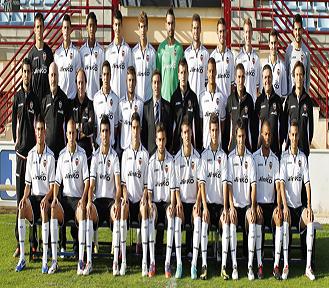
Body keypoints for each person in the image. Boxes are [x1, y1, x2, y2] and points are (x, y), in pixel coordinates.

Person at [49, 119, 89, 274]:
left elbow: (87, 182)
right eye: (69, 133)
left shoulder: (83, 154)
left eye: (74, 133)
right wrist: (54, 199)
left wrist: (83, 199)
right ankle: (54, 260)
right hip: (65, 200)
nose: (72, 136)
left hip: (78, 200)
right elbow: (57, 182)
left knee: (82, 211)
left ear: (77, 134)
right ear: (66, 135)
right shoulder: (61, 155)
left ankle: (81, 261)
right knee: (52, 211)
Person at [15, 116, 55, 273]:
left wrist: (47, 197)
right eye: (37, 130)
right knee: (21, 208)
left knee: (44, 209)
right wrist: (24, 198)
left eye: (42, 130)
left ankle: (45, 259)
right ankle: (23, 258)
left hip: (46, 198)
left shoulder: (50, 156)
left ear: (45, 132)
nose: (39, 133)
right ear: (35, 131)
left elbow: (53, 186)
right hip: (34, 197)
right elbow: (27, 185)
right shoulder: (30, 155)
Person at [84, 115, 121, 275]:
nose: (104, 134)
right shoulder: (95, 157)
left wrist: (118, 201)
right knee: (88, 212)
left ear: (110, 133)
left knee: (118, 214)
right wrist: (89, 201)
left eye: (107, 131)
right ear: (99, 133)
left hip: (111, 202)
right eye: (102, 131)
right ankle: (89, 261)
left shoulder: (115, 157)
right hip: (98, 202)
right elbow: (91, 184)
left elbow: (119, 185)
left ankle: (115, 263)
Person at [12, 58, 40, 257]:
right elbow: (14, 122)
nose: (27, 74)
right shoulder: (16, 97)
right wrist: (17, 142)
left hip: (32, 158)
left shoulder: (35, 99)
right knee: (19, 201)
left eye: (29, 71)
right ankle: (18, 242)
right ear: (21, 73)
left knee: (32, 200)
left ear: (32, 74)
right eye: (24, 71)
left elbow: (38, 124)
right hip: (21, 156)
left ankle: (33, 241)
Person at [280, 120, 315, 281]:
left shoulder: (303, 157)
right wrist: (285, 207)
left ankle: (308, 267)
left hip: (300, 208)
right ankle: (286, 265)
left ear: (299, 136)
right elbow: (281, 185)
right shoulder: (283, 157)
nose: (293, 138)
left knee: (311, 222)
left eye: (296, 135)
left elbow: (307, 184)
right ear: (288, 136)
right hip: (288, 208)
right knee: (285, 224)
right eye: (291, 135)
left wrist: (309, 206)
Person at [198, 113, 229, 280]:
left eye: (216, 130)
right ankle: (204, 265)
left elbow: (225, 184)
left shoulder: (224, 156)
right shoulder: (204, 156)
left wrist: (225, 207)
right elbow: (201, 183)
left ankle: (224, 266)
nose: (214, 133)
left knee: (225, 222)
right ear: (208, 132)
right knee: (203, 223)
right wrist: (204, 207)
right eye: (212, 130)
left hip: (220, 204)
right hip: (208, 204)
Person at [227, 118, 257, 281]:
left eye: (243, 136)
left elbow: (253, 187)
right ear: (235, 136)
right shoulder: (230, 158)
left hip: (246, 206)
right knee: (231, 223)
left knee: (252, 222)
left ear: (246, 137)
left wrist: (252, 207)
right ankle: (234, 266)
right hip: (234, 205)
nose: (240, 139)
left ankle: (250, 267)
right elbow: (229, 186)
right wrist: (231, 207)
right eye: (238, 136)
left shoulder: (251, 159)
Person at [120, 112, 149, 276]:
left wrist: (144, 197)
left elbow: (146, 185)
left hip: (140, 201)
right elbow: (123, 183)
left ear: (140, 129)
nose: (135, 131)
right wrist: (124, 197)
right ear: (130, 129)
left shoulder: (145, 155)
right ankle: (123, 260)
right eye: (133, 127)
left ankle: (144, 260)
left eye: (138, 128)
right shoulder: (125, 154)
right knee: (123, 209)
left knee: (145, 210)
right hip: (128, 200)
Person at [253, 120, 282, 280]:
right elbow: (253, 185)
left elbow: (278, 187)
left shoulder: (275, 159)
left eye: (269, 134)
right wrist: (255, 204)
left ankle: (276, 266)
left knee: (279, 218)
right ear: (260, 135)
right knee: (257, 218)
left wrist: (278, 206)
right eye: (265, 133)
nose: (267, 137)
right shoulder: (254, 158)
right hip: (259, 205)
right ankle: (260, 266)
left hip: (271, 204)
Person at [173, 116, 201, 279]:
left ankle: (194, 265)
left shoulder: (197, 158)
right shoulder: (176, 159)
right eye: (183, 132)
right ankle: (179, 264)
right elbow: (176, 185)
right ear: (181, 135)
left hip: (194, 202)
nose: (186, 135)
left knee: (197, 220)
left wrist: (198, 203)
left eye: (188, 132)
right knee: (176, 220)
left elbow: (200, 185)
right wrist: (178, 203)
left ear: (191, 134)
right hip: (182, 202)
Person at [147, 123, 176, 278]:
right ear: (156, 140)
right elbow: (150, 191)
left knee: (171, 218)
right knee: (150, 216)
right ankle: (152, 261)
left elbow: (172, 190)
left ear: (166, 140)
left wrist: (171, 205)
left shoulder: (171, 162)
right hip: (156, 203)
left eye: (163, 139)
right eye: (159, 139)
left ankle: (166, 262)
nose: (161, 142)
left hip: (166, 203)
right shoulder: (151, 163)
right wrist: (151, 204)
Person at [171, 58, 202, 155]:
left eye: (185, 72)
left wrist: (199, 146)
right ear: (178, 75)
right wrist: (171, 146)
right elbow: (172, 125)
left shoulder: (193, 97)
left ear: (188, 74)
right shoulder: (174, 97)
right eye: (181, 72)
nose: (183, 75)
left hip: (191, 148)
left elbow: (197, 124)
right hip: (177, 148)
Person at [41, 62, 72, 160]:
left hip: (61, 153)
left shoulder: (64, 99)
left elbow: (68, 125)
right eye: (51, 75)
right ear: (48, 77)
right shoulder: (44, 100)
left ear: (58, 77)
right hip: (47, 152)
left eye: (55, 75)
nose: (53, 79)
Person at [224, 63, 257, 153]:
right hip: (232, 149)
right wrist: (225, 148)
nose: (240, 80)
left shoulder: (249, 100)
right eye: (238, 77)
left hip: (247, 149)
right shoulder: (230, 99)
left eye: (242, 77)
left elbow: (253, 128)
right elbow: (227, 128)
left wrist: (253, 149)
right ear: (235, 78)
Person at [283, 61, 313, 158]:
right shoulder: (289, 99)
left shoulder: (308, 100)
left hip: (303, 148)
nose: (299, 78)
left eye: (301, 75)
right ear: (294, 77)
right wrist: (285, 141)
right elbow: (284, 123)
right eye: (297, 74)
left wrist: (308, 142)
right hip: (290, 148)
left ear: (304, 77)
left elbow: (311, 125)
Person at [255, 65, 284, 157]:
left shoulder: (278, 100)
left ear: (272, 78)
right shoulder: (258, 101)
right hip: (261, 152)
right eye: (265, 77)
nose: (267, 80)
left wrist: (280, 144)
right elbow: (255, 128)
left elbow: (282, 126)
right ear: (262, 80)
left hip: (275, 151)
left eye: (269, 77)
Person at [141, 70, 172, 156]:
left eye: (158, 82)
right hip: (150, 154)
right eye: (154, 82)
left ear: (161, 84)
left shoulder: (168, 107)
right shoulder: (146, 107)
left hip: (165, 155)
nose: (156, 85)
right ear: (151, 84)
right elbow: (144, 135)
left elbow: (170, 133)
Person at [156, 7, 183, 102]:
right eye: (168, 23)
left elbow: (183, 76)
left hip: (177, 99)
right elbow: (157, 75)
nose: (170, 27)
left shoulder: (180, 49)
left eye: (172, 23)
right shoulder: (161, 48)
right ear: (165, 25)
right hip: (164, 99)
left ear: (175, 24)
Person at [199, 57, 226, 149]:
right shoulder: (201, 97)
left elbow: (222, 123)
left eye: (213, 71)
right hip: (205, 146)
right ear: (207, 72)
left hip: (218, 147)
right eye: (209, 71)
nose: (211, 74)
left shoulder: (221, 96)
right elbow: (201, 123)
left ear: (216, 72)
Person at [105, 9, 132, 99]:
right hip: (111, 98)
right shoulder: (108, 51)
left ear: (122, 26)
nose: (117, 28)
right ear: (113, 26)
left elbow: (131, 76)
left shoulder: (127, 50)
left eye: (119, 25)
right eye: (115, 24)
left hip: (125, 99)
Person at [28, 12, 53, 105]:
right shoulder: (31, 54)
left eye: (41, 26)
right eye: (37, 27)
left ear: (44, 28)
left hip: (47, 100)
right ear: (34, 29)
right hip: (34, 100)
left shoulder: (49, 52)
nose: (39, 29)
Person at [54, 14, 81, 100]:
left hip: (72, 98)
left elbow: (79, 76)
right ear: (62, 30)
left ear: (70, 30)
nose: (66, 30)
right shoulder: (57, 54)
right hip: (60, 98)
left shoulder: (76, 53)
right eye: (64, 28)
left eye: (68, 28)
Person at [93, 61, 119, 148]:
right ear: (101, 76)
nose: (106, 77)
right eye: (104, 74)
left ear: (110, 76)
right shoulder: (96, 98)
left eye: (108, 74)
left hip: (111, 146)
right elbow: (95, 125)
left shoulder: (115, 98)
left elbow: (116, 126)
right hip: (99, 145)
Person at [132, 11, 156, 102]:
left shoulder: (153, 52)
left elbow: (154, 78)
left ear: (147, 28)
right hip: (137, 100)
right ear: (138, 28)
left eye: (144, 26)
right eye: (141, 27)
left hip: (149, 101)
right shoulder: (133, 52)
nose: (142, 30)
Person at [235, 17, 261, 103]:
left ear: (252, 33)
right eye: (246, 32)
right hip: (241, 103)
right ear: (243, 34)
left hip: (252, 104)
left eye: (249, 32)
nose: (248, 35)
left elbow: (258, 87)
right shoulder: (238, 58)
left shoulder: (256, 58)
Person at [72, 68, 95, 164]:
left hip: (87, 155)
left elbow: (91, 128)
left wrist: (78, 126)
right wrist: (83, 130)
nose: (80, 86)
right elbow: (70, 129)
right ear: (76, 84)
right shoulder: (71, 104)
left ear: (86, 83)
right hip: (74, 155)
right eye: (79, 83)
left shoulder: (91, 104)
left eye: (82, 83)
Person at [184, 13, 209, 101]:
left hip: (202, 100)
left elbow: (207, 80)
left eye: (198, 28)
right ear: (191, 30)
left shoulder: (206, 53)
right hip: (189, 99)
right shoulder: (186, 53)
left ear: (200, 30)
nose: (196, 31)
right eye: (194, 28)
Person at [80, 12, 104, 101]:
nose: (91, 28)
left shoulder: (101, 51)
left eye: (93, 26)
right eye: (90, 25)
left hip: (97, 97)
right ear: (86, 27)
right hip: (85, 98)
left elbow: (102, 77)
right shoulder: (82, 51)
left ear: (96, 27)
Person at [210, 17, 235, 104]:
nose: (222, 34)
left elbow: (232, 85)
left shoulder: (231, 56)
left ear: (226, 32)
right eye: (220, 31)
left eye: (224, 31)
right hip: (216, 103)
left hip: (228, 103)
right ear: (217, 33)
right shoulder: (212, 56)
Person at [119, 66, 144, 151]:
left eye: (133, 80)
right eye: (129, 80)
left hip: (137, 148)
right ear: (126, 81)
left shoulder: (140, 103)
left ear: (136, 82)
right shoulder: (121, 103)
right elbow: (119, 126)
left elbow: (142, 127)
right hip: (124, 147)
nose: (131, 83)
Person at [285, 14, 311, 94]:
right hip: (291, 97)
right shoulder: (289, 50)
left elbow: (307, 77)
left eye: (299, 29)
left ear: (302, 30)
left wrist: (307, 94)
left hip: (303, 98)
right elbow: (286, 76)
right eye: (295, 29)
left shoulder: (306, 51)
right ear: (293, 31)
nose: (297, 32)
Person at [262, 29, 287, 98]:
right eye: (271, 43)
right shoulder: (263, 65)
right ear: (269, 44)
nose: (273, 46)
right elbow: (261, 91)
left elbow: (284, 94)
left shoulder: (282, 66)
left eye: (275, 43)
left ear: (277, 43)